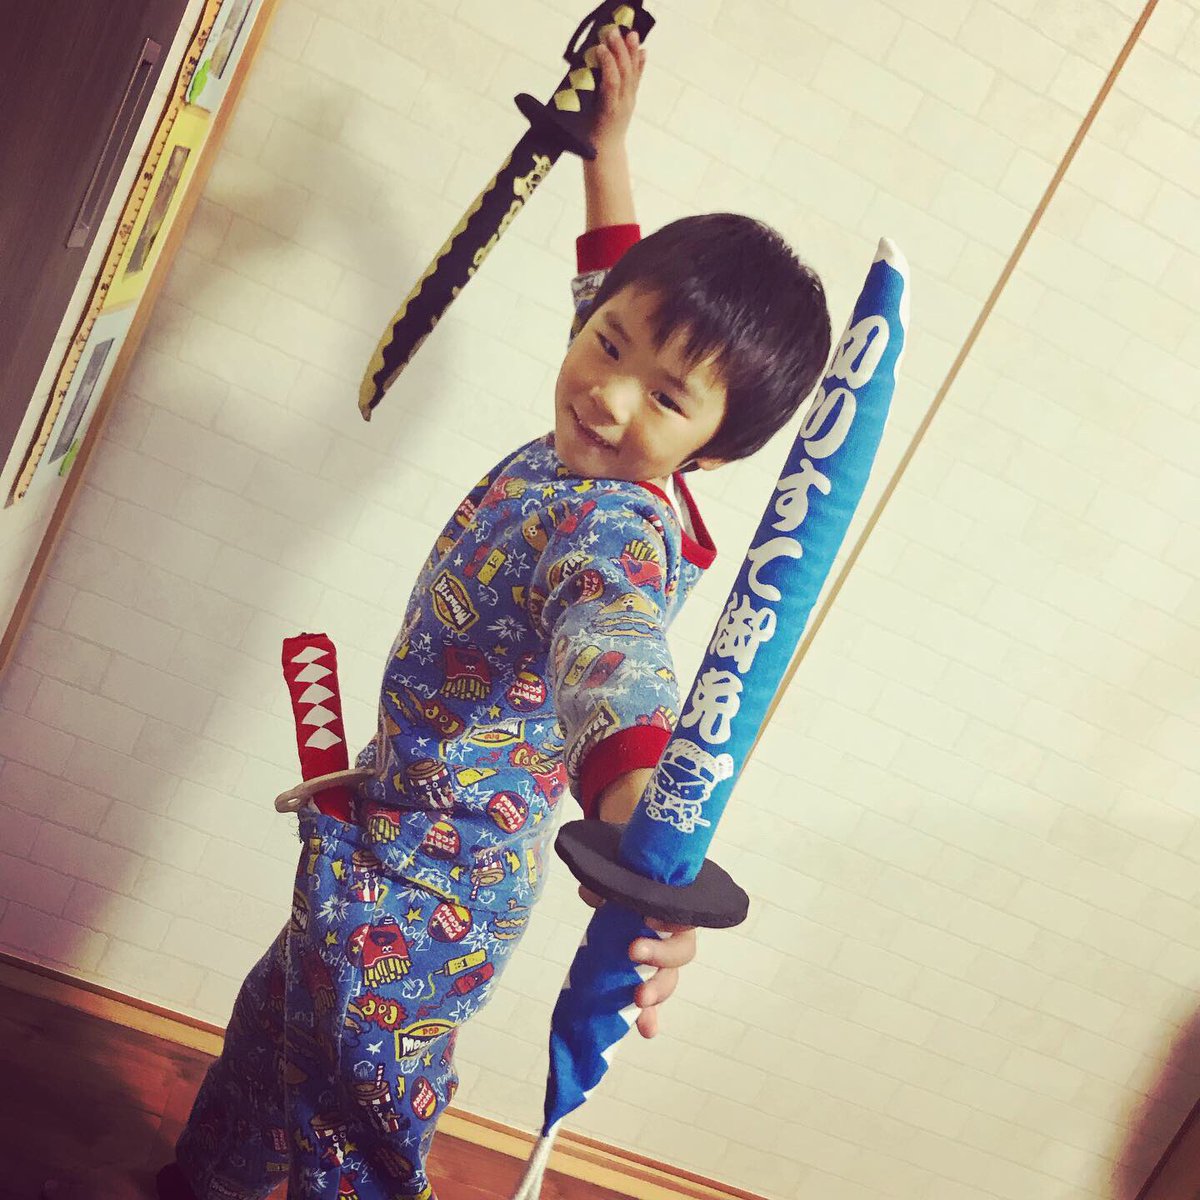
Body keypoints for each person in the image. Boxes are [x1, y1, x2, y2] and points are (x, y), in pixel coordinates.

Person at [159, 27, 831, 1200]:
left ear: (711, 454)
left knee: (355, 1137)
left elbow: (615, 666)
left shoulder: (610, 534)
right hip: (377, 831)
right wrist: (605, 149)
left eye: (664, 396)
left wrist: (645, 850)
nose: (608, 394)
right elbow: (612, 281)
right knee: (267, 1045)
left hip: (430, 900)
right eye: (605, 342)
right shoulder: (612, 421)